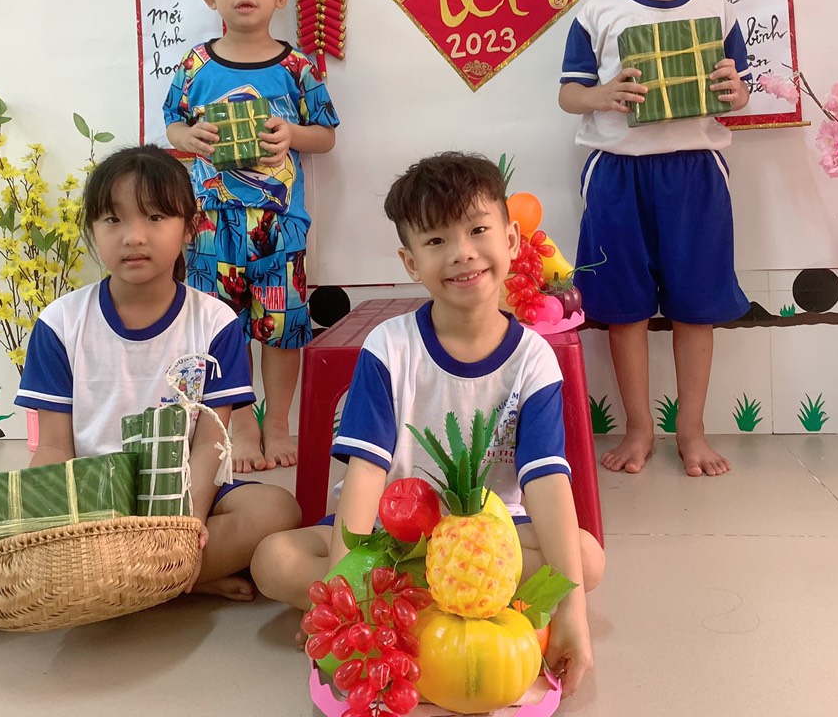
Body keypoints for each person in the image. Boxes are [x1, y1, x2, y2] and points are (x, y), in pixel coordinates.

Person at [0, 145, 301, 641]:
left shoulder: (214, 321)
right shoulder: (61, 322)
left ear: (190, 227)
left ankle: (34, 595)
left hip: (175, 499)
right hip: (86, 499)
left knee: (275, 511)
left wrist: (184, 527)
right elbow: (54, 447)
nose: (134, 236)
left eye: (155, 216)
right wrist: (50, 532)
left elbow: (210, 443)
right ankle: (169, 584)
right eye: (113, 219)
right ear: (92, 229)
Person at [251, 152, 604, 696]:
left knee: (587, 559)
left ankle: (409, 613)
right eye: (436, 240)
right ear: (411, 261)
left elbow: (547, 483)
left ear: (512, 239)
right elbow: (365, 479)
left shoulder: (534, 359)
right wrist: (344, 604)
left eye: (478, 230)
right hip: (393, 541)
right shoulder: (389, 347)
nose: (462, 252)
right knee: (273, 560)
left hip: (489, 542)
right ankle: (447, 615)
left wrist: (574, 616)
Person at [558, 0, 752, 478]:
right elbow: (569, 94)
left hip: (696, 175)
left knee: (698, 305)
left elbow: (739, 88)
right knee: (624, 307)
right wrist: (603, 94)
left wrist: (737, 93)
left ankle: (691, 431)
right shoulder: (597, 13)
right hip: (618, 174)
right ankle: (638, 429)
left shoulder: (718, 11)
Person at [164, 0, 338, 473]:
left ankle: (278, 423)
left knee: (283, 329)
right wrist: (189, 138)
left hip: (279, 222)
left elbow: (326, 135)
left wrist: (292, 135)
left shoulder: (296, 67)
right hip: (210, 223)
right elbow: (172, 125)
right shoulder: (195, 65)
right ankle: (240, 426)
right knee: (222, 327)